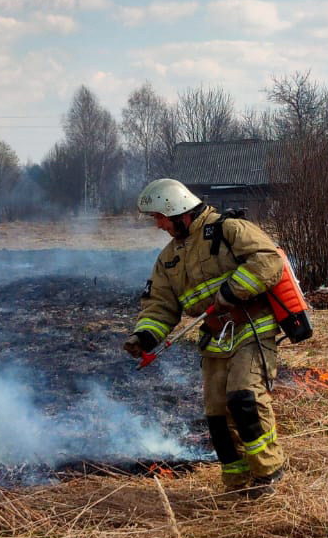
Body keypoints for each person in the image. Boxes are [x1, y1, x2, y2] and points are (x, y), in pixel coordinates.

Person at [122, 179, 286, 497]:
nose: (158, 225)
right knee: (217, 415)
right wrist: (144, 336)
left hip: (252, 328)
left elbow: (268, 260)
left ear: (177, 210)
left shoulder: (229, 230)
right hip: (214, 338)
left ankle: (268, 474)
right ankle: (237, 484)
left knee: (244, 398)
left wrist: (231, 292)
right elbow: (159, 303)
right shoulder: (168, 259)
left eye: (160, 217)